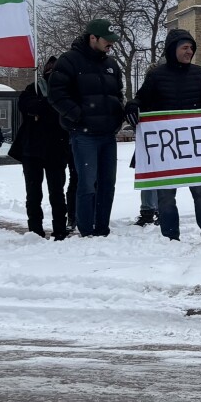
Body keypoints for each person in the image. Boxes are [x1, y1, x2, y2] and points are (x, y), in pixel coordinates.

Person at [133, 28, 201, 245]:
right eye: (185, 47)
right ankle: (171, 237)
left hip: (194, 148)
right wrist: (132, 105)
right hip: (167, 150)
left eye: (191, 47)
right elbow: (141, 100)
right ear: (173, 50)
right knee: (165, 196)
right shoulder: (156, 76)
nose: (189, 51)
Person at [46, 18, 128, 238]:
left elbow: (117, 94)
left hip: (108, 135)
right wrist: (79, 116)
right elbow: (55, 94)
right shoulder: (69, 61)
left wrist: (118, 116)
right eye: (107, 40)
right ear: (93, 38)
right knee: (87, 184)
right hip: (84, 136)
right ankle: (86, 230)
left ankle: (102, 229)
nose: (111, 44)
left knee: (107, 185)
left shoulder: (111, 64)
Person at [12, 59, 75, 239]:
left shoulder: (67, 91)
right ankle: (35, 230)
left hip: (56, 149)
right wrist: (49, 107)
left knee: (56, 193)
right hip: (33, 150)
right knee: (34, 193)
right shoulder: (34, 88)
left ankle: (59, 230)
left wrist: (43, 110)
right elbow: (26, 106)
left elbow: (63, 113)